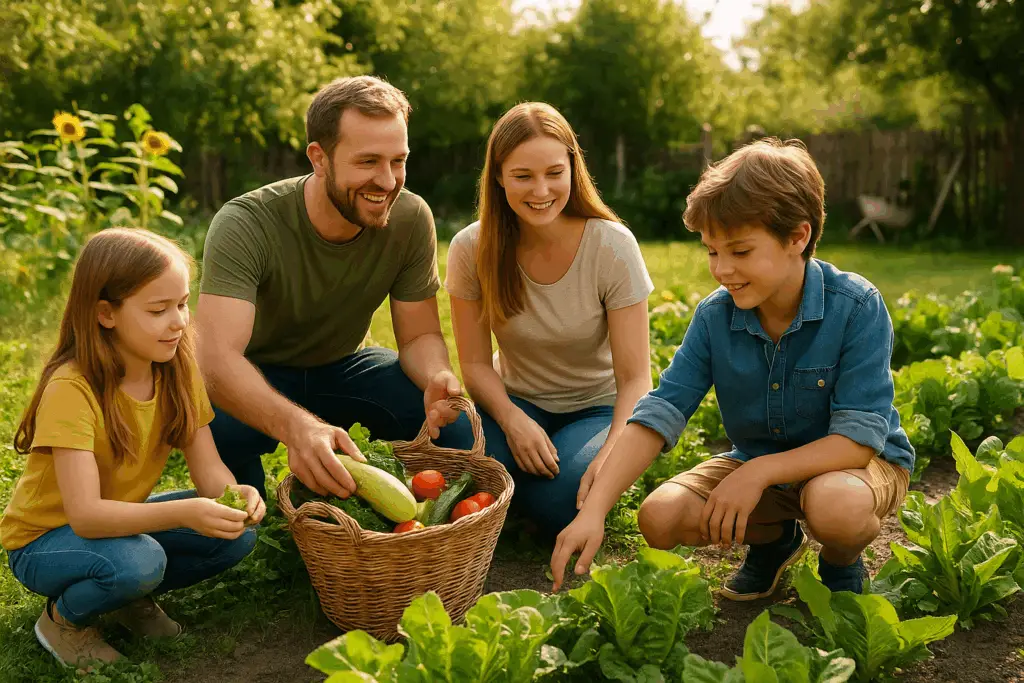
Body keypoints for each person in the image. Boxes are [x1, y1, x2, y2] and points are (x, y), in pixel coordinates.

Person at [550, 138, 914, 598]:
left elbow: (858, 442)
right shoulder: (715, 315)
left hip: (854, 470)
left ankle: (841, 560)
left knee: (835, 505)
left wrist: (757, 473)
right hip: (758, 463)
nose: (722, 269)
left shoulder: (856, 306)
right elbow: (662, 409)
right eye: (711, 251)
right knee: (661, 517)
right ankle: (775, 541)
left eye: (740, 252)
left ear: (798, 237)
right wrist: (594, 511)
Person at [196, 76, 475, 502]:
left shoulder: (411, 218)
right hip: (254, 373)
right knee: (237, 508)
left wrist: (437, 375)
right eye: (367, 162)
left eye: (397, 161)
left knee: (455, 432)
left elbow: (419, 335)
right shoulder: (246, 223)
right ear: (319, 157)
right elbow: (216, 361)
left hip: (344, 366)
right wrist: (297, 428)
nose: (387, 181)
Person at [1, 228, 264, 670]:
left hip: (115, 528)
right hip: (44, 543)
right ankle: (63, 621)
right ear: (106, 313)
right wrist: (184, 513)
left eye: (182, 304)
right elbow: (85, 516)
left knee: (235, 535)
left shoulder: (177, 370)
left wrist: (234, 496)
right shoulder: (74, 387)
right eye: (158, 310)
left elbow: (209, 472)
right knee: (141, 559)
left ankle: (126, 599)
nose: (179, 321)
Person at [445, 102, 654, 535]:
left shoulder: (611, 246)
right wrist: (511, 419)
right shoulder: (470, 247)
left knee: (561, 502)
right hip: (516, 401)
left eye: (554, 172)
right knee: (453, 443)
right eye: (523, 176)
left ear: (573, 169)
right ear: (499, 176)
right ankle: (513, 488)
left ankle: (522, 496)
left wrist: (613, 451)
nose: (541, 190)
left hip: (597, 408)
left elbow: (635, 379)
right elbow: (476, 366)